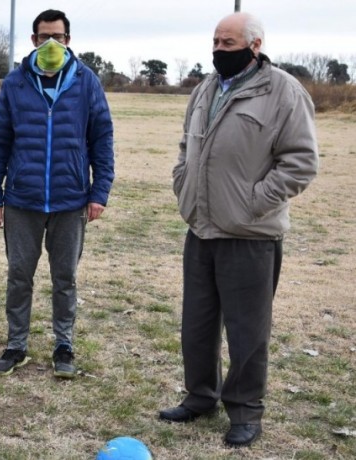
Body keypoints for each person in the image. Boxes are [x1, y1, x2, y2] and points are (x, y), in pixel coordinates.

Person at [159, 12, 319, 447]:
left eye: (228, 43)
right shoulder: (205, 89)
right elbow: (185, 147)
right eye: (215, 41)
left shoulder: (283, 92)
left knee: (248, 332)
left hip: (250, 236)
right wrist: (183, 183)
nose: (218, 50)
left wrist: (254, 202)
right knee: (197, 324)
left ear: (255, 45)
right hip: (202, 228)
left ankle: (245, 412)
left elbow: (301, 161)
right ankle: (199, 397)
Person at [0, 9, 114, 379]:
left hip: (71, 200)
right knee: (19, 275)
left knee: (65, 278)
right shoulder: (15, 84)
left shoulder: (87, 83)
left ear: (69, 40)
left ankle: (63, 345)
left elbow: (102, 140)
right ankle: (16, 344)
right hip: (22, 199)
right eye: (44, 37)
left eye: (58, 36)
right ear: (33, 40)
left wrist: (99, 192)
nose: (51, 43)